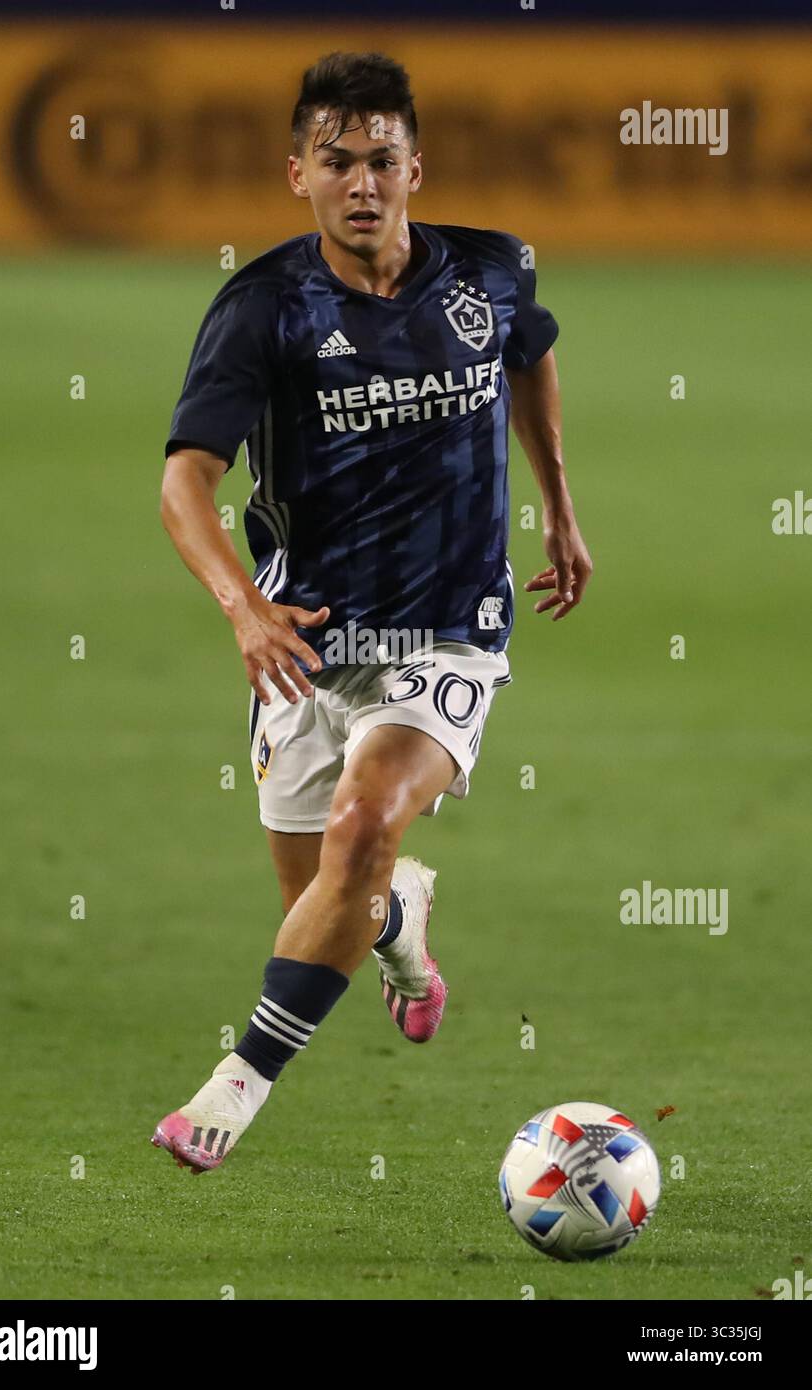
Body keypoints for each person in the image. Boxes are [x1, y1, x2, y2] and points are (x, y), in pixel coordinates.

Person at [153, 51, 592, 1173]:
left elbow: (528, 351)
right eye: (335, 159)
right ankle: (400, 926)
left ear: (414, 167)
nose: (361, 181)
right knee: (328, 903)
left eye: (381, 159)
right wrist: (242, 608)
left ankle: (230, 1089)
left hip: (447, 628)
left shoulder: (487, 272)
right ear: (294, 171)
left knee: (359, 828)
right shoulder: (262, 310)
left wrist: (557, 505)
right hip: (305, 641)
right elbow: (183, 483)